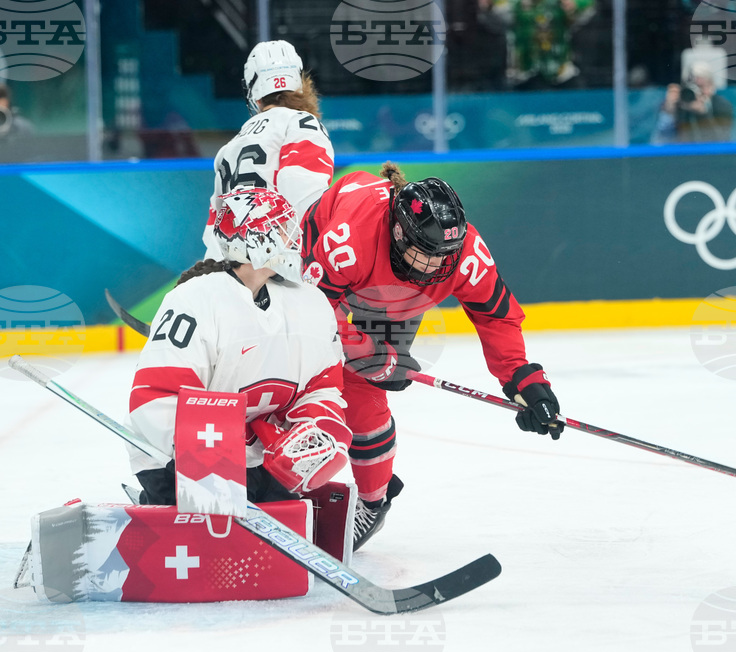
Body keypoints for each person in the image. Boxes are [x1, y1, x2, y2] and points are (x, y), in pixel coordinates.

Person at [301, 162, 563, 550]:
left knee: (364, 394)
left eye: (445, 255)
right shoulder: (347, 242)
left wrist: (523, 379)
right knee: (303, 375)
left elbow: (496, 315)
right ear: (398, 233)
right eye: (427, 254)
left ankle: (373, 501)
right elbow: (312, 315)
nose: (437, 266)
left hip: (390, 296)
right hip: (321, 273)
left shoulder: (462, 254)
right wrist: (371, 354)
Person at [129, 188, 351, 506]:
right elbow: (156, 395)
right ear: (255, 238)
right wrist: (207, 459)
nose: (294, 238)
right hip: (180, 461)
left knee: (288, 518)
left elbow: (322, 386)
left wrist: (313, 429)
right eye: (282, 228)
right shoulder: (194, 300)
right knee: (216, 533)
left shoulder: (310, 302)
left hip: (260, 461)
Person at [203, 40, 334, 259]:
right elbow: (305, 198)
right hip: (280, 261)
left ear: (254, 92)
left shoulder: (230, 146)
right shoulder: (302, 123)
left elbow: (214, 228)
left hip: (235, 265)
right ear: (299, 81)